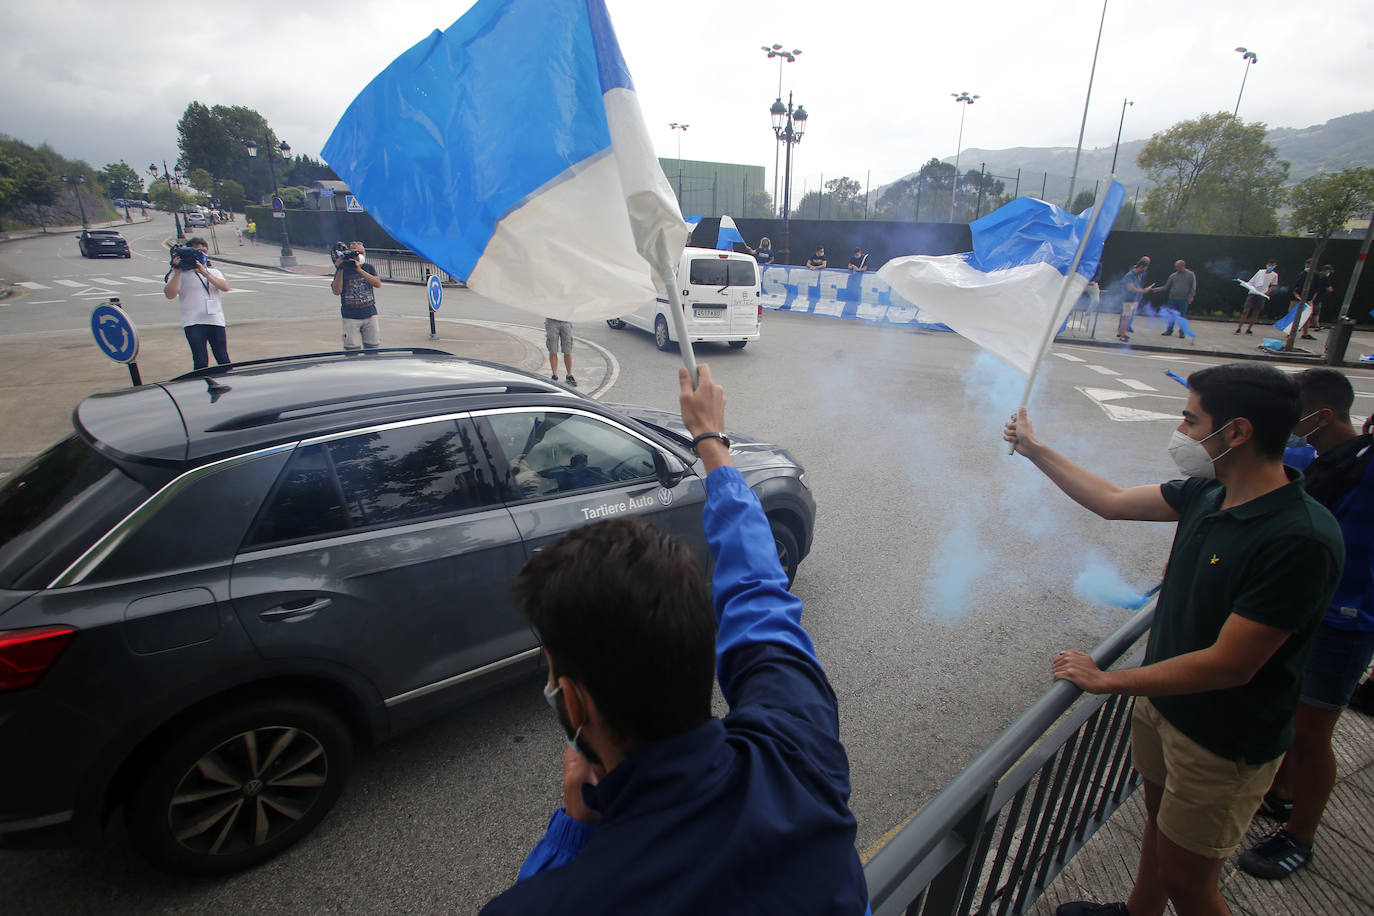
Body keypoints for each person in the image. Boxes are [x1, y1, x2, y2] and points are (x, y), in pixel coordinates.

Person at [480, 364, 868, 915]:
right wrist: (710, 443)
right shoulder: (797, 748)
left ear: (573, 702)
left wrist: (571, 834)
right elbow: (759, 593)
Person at [1003, 363, 1343, 916]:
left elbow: (1230, 666)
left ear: (1236, 432)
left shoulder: (1298, 538)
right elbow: (1111, 501)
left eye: (1190, 420)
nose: (1180, 433)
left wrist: (1110, 679)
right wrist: (1036, 449)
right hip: (1166, 709)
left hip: (1222, 738)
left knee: (1190, 883)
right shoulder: (1209, 493)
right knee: (1160, 837)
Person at [1235, 370, 1372, 881]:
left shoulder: (1366, 467)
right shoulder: (1322, 460)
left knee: (1314, 734)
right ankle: (1281, 793)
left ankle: (1301, 835)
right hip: (1303, 609)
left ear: (1323, 416)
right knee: (1291, 715)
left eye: (1296, 419)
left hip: (1344, 621)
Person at [163, 237, 232, 370]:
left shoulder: (213, 272)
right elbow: (170, 294)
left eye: (203, 250)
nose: (200, 254)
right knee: (200, 359)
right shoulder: (180, 273)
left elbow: (225, 287)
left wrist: (205, 273)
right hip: (193, 322)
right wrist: (177, 271)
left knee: (223, 358)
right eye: (196, 251)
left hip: (215, 321)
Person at [329, 241, 383, 351]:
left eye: (362, 253)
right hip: (350, 316)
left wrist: (359, 269)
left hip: (370, 314)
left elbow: (377, 284)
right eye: (357, 253)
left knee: (373, 348)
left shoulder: (368, 267)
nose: (360, 256)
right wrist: (340, 268)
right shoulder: (343, 270)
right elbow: (336, 291)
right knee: (352, 350)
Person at [1235, 258, 1279, 334]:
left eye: (1272, 265)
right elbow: (1252, 281)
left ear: (1275, 266)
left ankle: (1249, 329)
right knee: (1246, 311)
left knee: (1256, 312)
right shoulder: (1260, 272)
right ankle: (1239, 328)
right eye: (1269, 265)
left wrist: (1267, 292)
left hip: (1262, 294)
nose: (1270, 266)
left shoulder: (1274, 275)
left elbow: (1273, 285)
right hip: (1253, 292)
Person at [1156, 259, 1197, 338]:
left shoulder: (1190, 275)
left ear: (1183, 266)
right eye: (1176, 267)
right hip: (1172, 298)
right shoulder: (1173, 276)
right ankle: (1169, 330)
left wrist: (1191, 296)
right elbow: (1166, 286)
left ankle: (1182, 332)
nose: (1176, 268)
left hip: (1183, 299)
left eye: (1178, 267)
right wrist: (1158, 289)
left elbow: (1193, 287)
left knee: (1182, 316)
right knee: (1170, 315)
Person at [1116, 257, 1153, 342]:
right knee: (1125, 317)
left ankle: (1122, 333)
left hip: (1132, 298)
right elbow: (1131, 288)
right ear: (1141, 267)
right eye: (1145, 268)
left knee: (1126, 316)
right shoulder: (1130, 275)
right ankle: (1122, 335)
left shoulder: (1136, 274)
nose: (1145, 270)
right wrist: (1143, 291)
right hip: (1128, 298)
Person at [1299, 265, 1336, 339]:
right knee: (1314, 313)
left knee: (1308, 313)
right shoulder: (1324, 278)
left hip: (1309, 296)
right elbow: (1329, 288)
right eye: (1329, 271)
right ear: (1327, 270)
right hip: (1316, 298)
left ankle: (1307, 327)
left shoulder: (1315, 275)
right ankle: (1315, 326)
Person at [545, 317, 575, 386]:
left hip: (566, 321)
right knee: (553, 350)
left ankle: (569, 375)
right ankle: (554, 375)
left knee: (568, 350)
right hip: (552, 321)